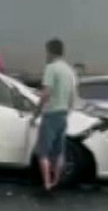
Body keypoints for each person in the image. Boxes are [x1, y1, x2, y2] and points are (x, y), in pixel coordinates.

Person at [32, 38, 77, 191]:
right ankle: (56, 180)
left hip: (50, 114)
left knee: (43, 152)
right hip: (63, 114)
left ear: (50, 51)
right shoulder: (70, 71)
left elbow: (46, 93)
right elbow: (72, 95)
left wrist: (36, 112)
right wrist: (68, 110)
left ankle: (46, 184)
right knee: (59, 152)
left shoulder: (51, 68)